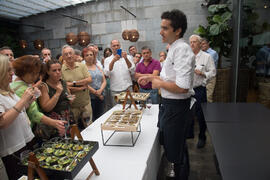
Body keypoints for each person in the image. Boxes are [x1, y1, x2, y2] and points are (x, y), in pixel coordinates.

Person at [138, 9, 195, 179]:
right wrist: (151, 76)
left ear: (177, 30)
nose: (160, 32)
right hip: (171, 106)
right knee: (175, 146)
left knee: (176, 151)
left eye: (165, 28)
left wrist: (159, 84)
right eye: (161, 27)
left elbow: (183, 87)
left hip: (176, 108)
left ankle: (180, 175)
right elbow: (170, 76)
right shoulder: (174, 48)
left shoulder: (182, 49)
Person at [10, 55, 66, 141]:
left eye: (37, 73)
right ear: (23, 71)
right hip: (24, 131)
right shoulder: (23, 88)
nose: (36, 77)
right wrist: (54, 123)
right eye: (33, 73)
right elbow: (34, 114)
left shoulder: (19, 84)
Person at [0, 54, 36, 179]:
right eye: (8, 70)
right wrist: (22, 101)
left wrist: (28, 101)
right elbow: (2, 122)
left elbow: (18, 111)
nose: (12, 73)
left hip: (25, 142)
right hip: (13, 149)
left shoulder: (8, 90)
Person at [189, 34, 216, 148]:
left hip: (200, 90)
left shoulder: (207, 57)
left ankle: (202, 136)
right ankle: (188, 135)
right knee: (188, 114)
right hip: (186, 90)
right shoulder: (187, 57)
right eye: (190, 42)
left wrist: (203, 73)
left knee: (201, 115)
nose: (192, 44)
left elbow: (213, 72)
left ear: (200, 44)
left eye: (194, 42)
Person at [38, 59, 74, 139]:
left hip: (67, 117)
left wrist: (70, 99)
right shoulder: (44, 86)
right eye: (54, 70)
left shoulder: (63, 82)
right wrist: (57, 93)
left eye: (59, 70)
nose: (58, 72)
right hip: (54, 123)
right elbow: (46, 108)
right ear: (48, 72)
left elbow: (68, 97)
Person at [61, 45, 92, 129]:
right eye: (66, 54)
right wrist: (80, 87)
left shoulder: (82, 66)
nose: (69, 56)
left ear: (74, 54)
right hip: (72, 106)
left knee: (89, 127)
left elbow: (89, 79)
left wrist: (73, 83)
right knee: (74, 130)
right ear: (63, 57)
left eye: (70, 53)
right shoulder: (61, 69)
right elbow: (64, 87)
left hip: (85, 103)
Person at [104, 39, 135, 105]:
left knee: (130, 108)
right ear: (111, 47)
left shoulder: (128, 57)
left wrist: (126, 58)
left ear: (120, 46)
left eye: (117, 45)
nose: (116, 47)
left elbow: (132, 70)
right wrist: (113, 61)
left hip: (127, 88)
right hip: (115, 89)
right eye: (114, 46)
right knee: (116, 110)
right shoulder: (107, 60)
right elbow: (107, 73)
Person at [82, 48, 106, 121]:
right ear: (84, 57)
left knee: (101, 117)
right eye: (87, 55)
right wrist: (96, 93)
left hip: (101, 95)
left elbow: (104, 80)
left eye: (91, 55)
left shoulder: (97, 66)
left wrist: (101, 90)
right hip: (91, 97)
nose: (89, 56)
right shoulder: (83, 68)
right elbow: (85, 84)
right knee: (92, 119)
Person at [201, 38, 219, 102]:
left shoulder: (213, 53)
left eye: (204, 44)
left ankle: (208, 111)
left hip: (210, 78)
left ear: (208, 44)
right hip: (202, 77)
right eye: (201, 44)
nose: (202, 45)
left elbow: (206, 66)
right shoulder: (201, 53)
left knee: (208, 97)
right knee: (202, 98)